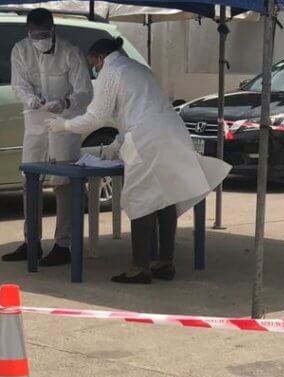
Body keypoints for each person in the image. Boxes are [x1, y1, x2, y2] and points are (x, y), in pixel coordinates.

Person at [47, 38, 229, 284]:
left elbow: (96, 117)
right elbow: (139, 110)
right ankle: (164, 262)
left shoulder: (111, 72)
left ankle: (139, 267)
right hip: (172, 133)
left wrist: (64, 125)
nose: (95, 69)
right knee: (166, 197)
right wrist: (116, 145)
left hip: (148, 139)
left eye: (94, 64)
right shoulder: (139, 69)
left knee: (139, 199)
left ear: (100, 58)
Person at [3, 8, 92, 267]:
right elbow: (18, 84)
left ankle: (63, 244)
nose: (40, 38)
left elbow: (85, 91)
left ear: (54, 29)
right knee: (29, 179)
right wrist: (30, 99)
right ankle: (31, 241)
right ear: (28, 31)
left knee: (63, 183)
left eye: (44, 33)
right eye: (35, 33)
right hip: (35, 119)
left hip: (65, 120)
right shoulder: (21, 50)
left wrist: (65, 101)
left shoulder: (70, 52)